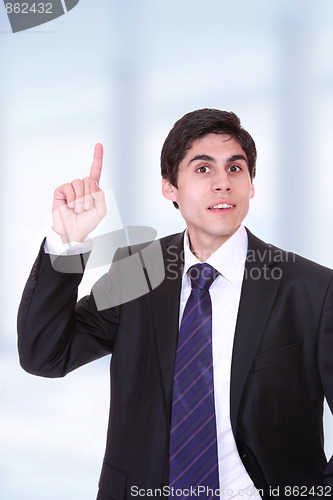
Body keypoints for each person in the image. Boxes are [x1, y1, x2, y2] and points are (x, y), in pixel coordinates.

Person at [17, 109, 333, 500]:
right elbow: (45, 355)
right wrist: (68, 244)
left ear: (251, 185)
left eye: (236, 169)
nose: (223, 183)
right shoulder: (139, 269)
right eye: (203, 170)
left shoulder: (311, 288)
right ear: (170, 187)